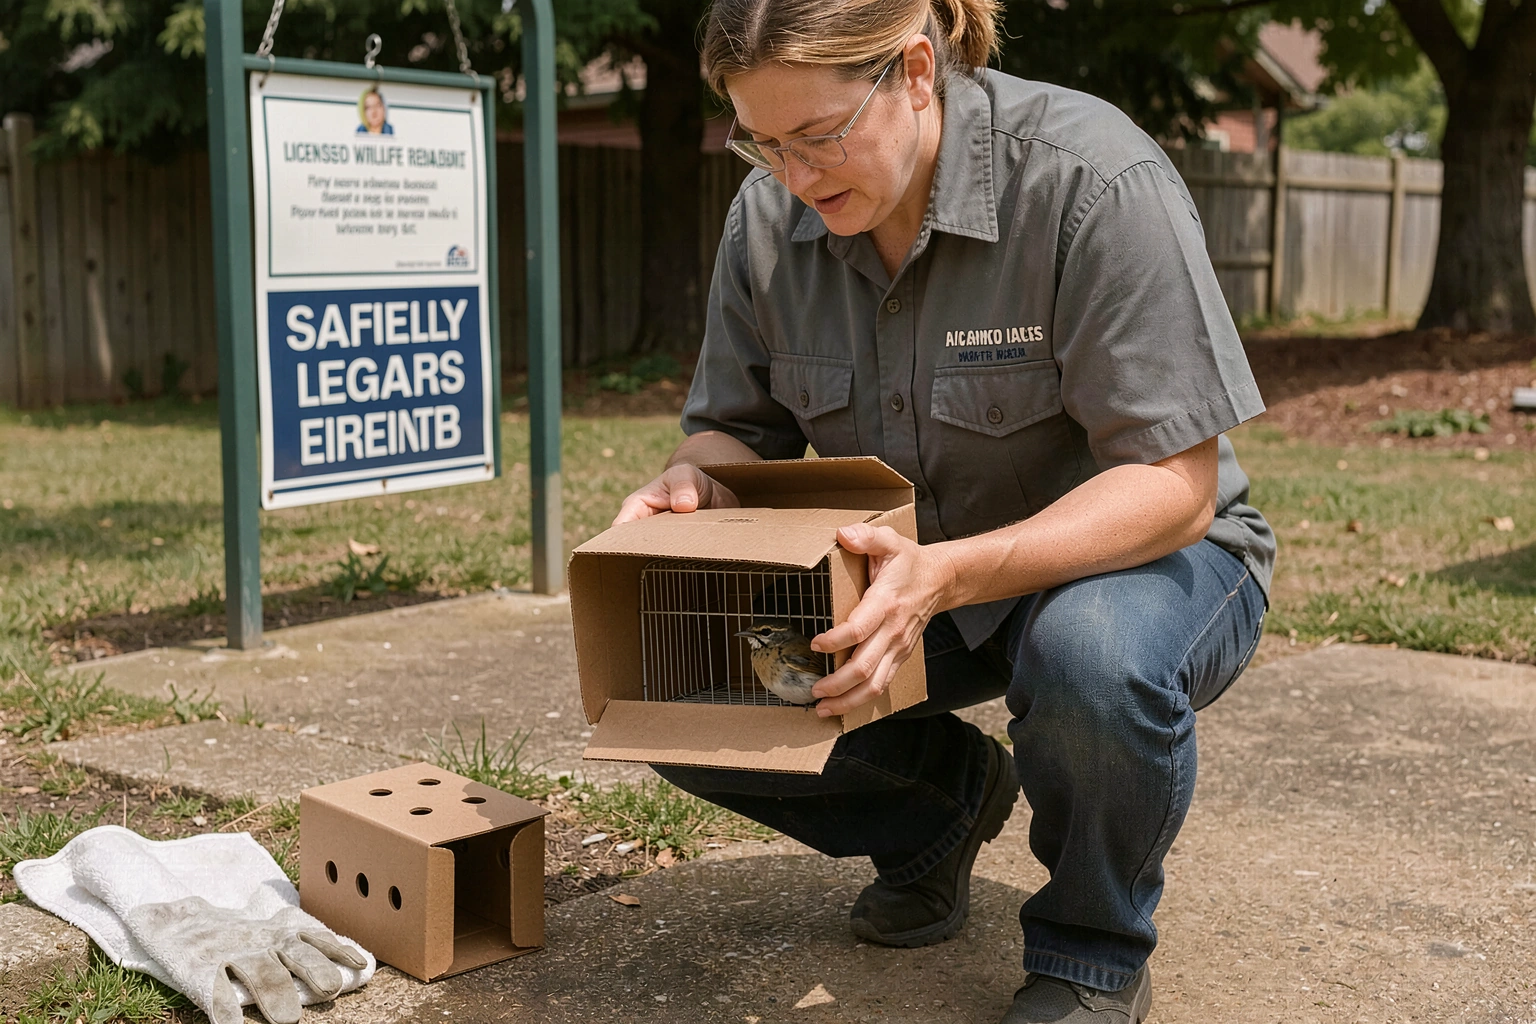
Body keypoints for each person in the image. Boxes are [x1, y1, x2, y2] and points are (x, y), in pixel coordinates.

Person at [612, 0, 1272, 1020]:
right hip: (911, 578)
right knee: (682, 683)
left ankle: (1091, 953)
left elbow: (1171, 485)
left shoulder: (1091, 179)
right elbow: (734, 434)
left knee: (1089, 662)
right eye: (764, 143)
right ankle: (937, 812)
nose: (795, 177)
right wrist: (695, 481)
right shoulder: (766, 219)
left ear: (916, 71)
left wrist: (950, 575)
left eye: (819, 136)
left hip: (1141, 562)